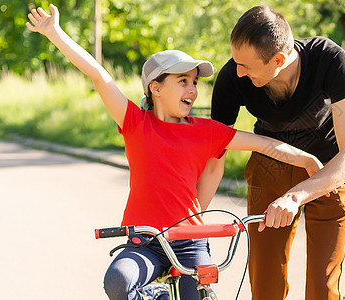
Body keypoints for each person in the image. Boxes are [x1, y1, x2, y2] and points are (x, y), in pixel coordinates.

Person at [25, 5, 324, 300]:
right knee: (118, 281)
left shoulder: (206, 130)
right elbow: (99, 75)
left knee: (200, 294)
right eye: (183, 81)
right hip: (144, 240)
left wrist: (306, 159)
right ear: (155, 88)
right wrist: (54, 32)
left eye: (194, 82)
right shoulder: (135, 123)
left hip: (190, 241)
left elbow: (264, 144)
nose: (192, 89)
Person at [205, 5, 345, 300]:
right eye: (236, 62)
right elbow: (215, 153)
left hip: (329, 171)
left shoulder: (330, 59)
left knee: (322, 288)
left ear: (278, 59)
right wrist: (194, 213)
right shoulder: (232, 76)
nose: (238, 71)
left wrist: (296, 196)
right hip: (270, 168)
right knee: (266, 285)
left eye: (247, 66)